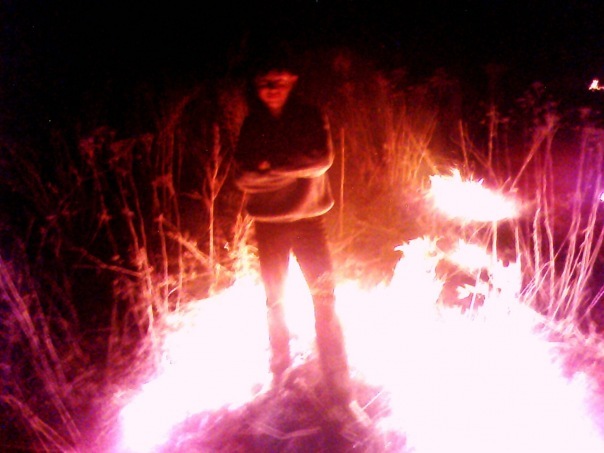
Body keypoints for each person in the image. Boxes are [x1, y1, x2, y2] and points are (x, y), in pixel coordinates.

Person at [233, 56, 371, 438]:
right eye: (264, 82)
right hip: (269, 227)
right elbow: (243, 176)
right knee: (274, 302)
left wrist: (269, 168)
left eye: (278, 80)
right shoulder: (253, 124)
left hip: (310, 224)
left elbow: (320, 160)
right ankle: (279, 376)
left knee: (325, 300)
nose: (271, 89)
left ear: (292, 79)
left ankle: (342, 394)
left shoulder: (309, 116)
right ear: (256, 86)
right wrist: (289, 166)